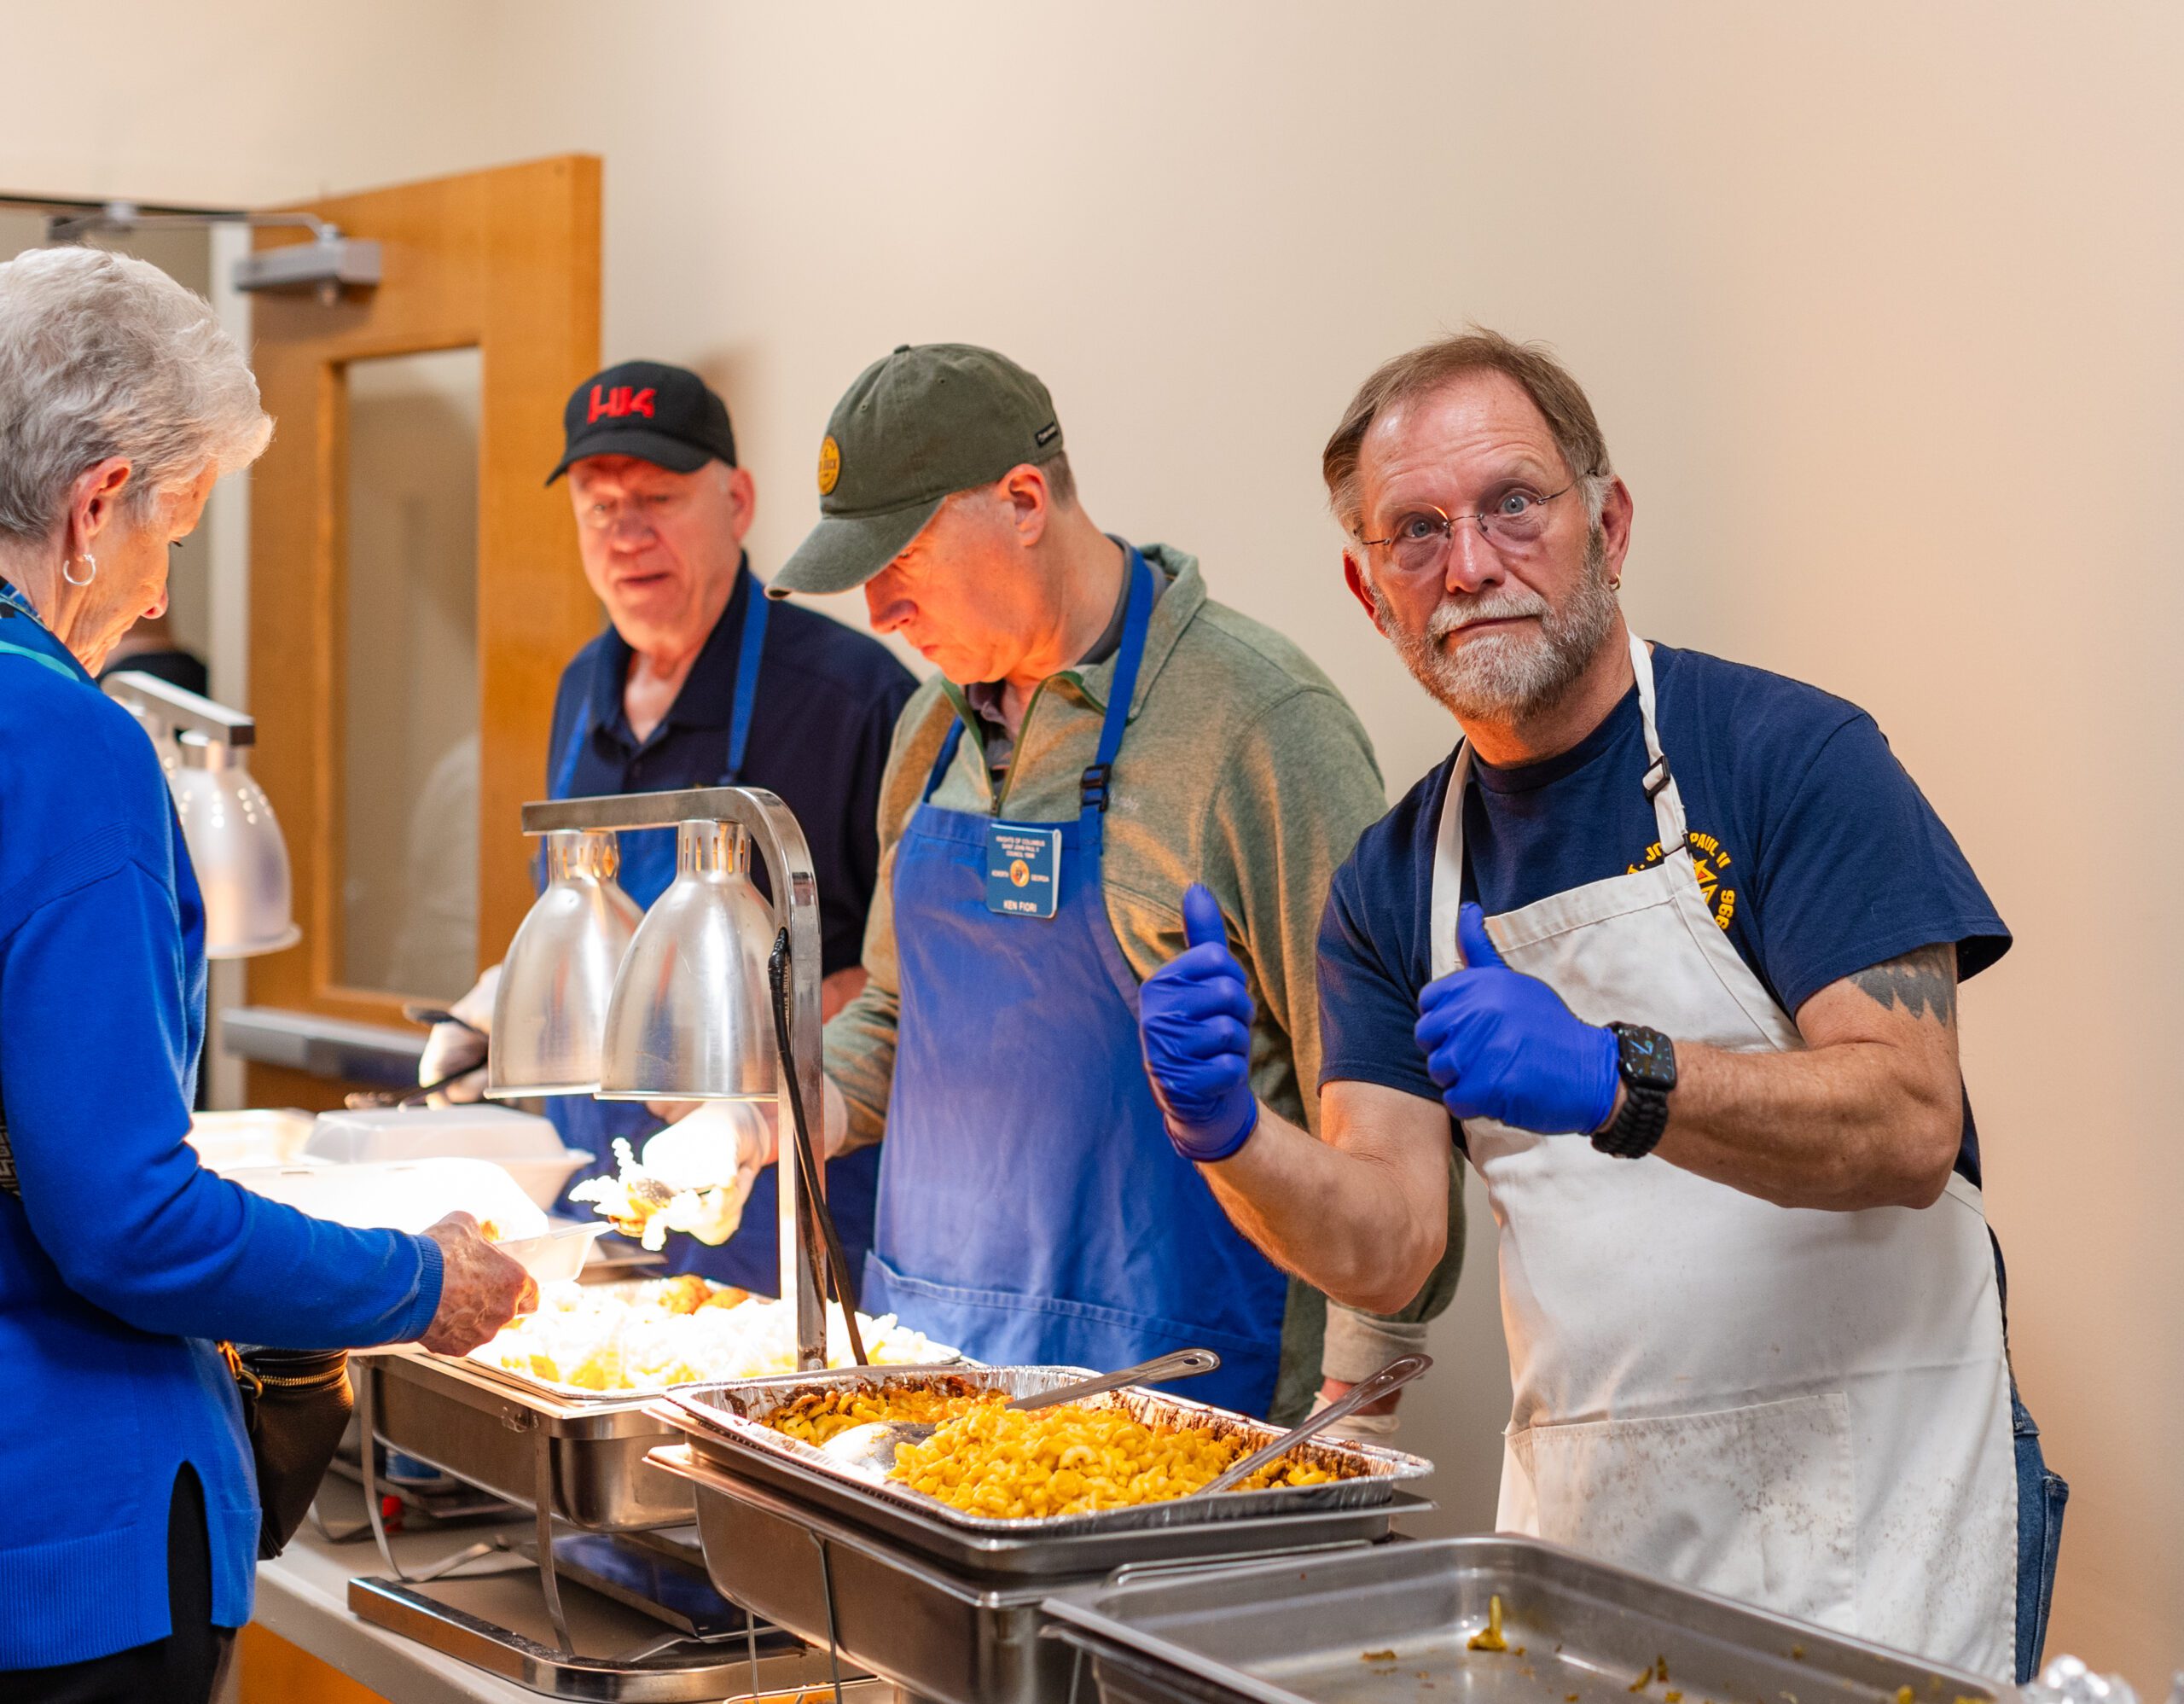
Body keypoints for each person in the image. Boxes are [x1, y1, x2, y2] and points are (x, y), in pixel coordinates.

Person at [1136, 329, 2063, 1676]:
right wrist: (1231, 1136)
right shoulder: (1393, 884)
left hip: (1883, 1513)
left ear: (1607, 523)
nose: (1470, 564)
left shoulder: (1792, 758)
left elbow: (1909, 1121)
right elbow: (1388, 1242)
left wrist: (1621, 1077)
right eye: (1415, 532)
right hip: (1602, 1541)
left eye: (1514, 502)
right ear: (1367, 586)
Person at [0, 247, 532, 1700]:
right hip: (63, 1548)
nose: (165, 582)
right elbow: (126, 1223)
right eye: (177, 525)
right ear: (94, 506)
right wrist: (410, 1279)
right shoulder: (63, 742)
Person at [770, 343, 1461, 1425]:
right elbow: (904, 1018)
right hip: (931, 1386)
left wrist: (1356, 1389)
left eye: (899, 557)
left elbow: (1376, 1102)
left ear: (1022, 500)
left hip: (1177, 1403)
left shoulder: (1260, 728)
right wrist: (787, 1107)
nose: (878, 610)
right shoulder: (927, 731)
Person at [421, 362, 916, 1292]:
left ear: (737, 500)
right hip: (601, 1205)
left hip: (781, 1215)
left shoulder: (853, 697)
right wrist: (498, 1003)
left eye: (658, 497)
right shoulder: (581, 685)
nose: (627, 532)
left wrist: (743, 1071)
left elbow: (910, 982)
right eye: (599, 504)